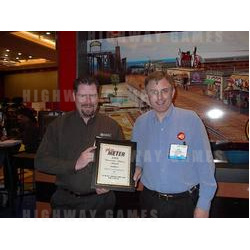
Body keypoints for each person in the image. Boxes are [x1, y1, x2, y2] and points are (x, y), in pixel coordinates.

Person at [35, 76, 123, 218]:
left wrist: (110, 185)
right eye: (83, 96)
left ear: (98, 97)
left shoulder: (112, 126)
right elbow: (40, 161)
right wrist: (75, 164)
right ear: (74, 96)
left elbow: (120, 168)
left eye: (92, 96)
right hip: (65, 204)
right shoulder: (58, 125)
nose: (88, 101)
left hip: (101, 204)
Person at [132, 71, 217, 218]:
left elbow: (205, 164)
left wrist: (203, 205)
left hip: (185, 204)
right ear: (147, 95)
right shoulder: (140, 123)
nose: (159, 97)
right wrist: (137, 166)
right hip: (150, 201)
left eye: (164, 91)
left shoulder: (191, 120)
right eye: (154, 92)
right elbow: (137, 156)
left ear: (173, 92)